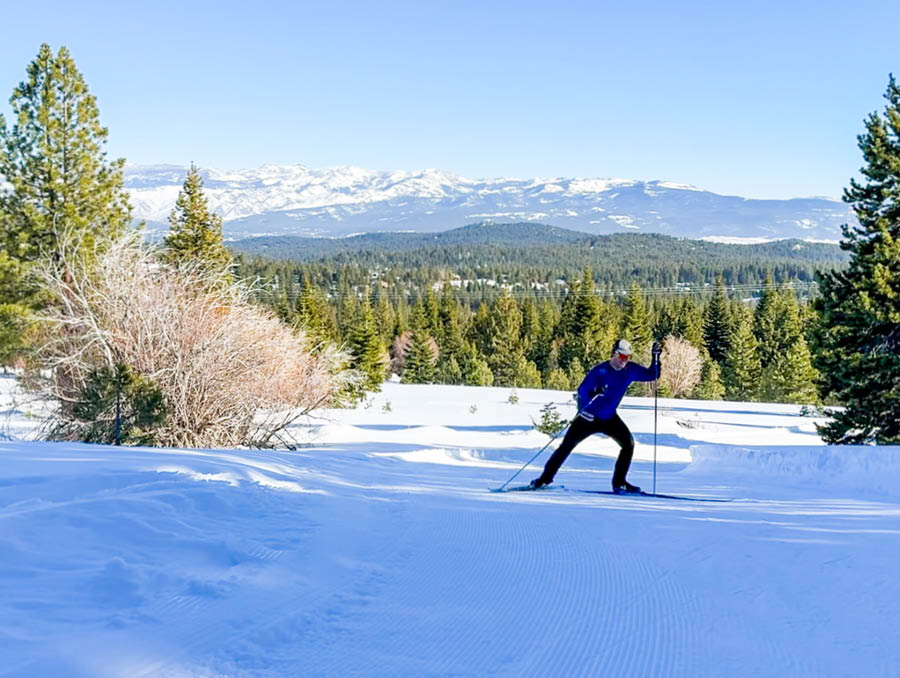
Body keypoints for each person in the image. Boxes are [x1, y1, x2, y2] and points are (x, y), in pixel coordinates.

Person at [531, 338, 662, 494]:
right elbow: (582, 392)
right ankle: (543, 480)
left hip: (609, 418)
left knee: (628, 445)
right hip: (588, 418)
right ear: (614, 353)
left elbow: (652, 375)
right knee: (566, 447)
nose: (624, 361)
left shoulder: (629, 370)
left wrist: (656, 358)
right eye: (621, 356)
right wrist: (593, 393)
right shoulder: (600, 371)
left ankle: (619, 483)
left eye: (627, 357)